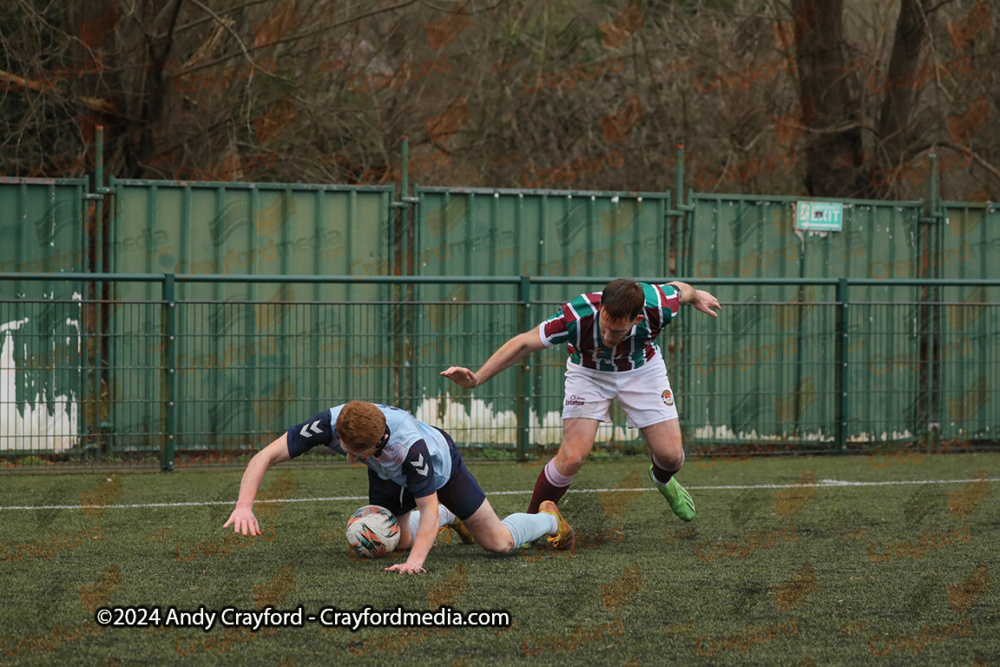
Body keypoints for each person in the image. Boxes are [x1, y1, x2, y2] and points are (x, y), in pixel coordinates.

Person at [441, 278, 720, 522]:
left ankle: (662, 479)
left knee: (671, 457)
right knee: (572, 457)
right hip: (589, 373)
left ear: (636, 320)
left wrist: (697, 296)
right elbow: (524, 342)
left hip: (642, 370)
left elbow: (681, 290)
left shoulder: (658, 305)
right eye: (605, 327)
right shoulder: (577, 314)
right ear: (600, 310)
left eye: (618, 332)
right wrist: (476, 378)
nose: (609, 337)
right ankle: (531, 522)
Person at [224, 401, 575, 574]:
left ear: (373, 447)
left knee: (498, 543)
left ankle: (549, 520)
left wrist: (414, 564)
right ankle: (448, 520)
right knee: (395, 542)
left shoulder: (412, 451)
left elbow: (427, 506)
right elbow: (264, 456)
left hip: (442, 470)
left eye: (359, 453)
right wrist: (243, 505)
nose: (349, 454)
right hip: (386, 474)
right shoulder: (330, 424)